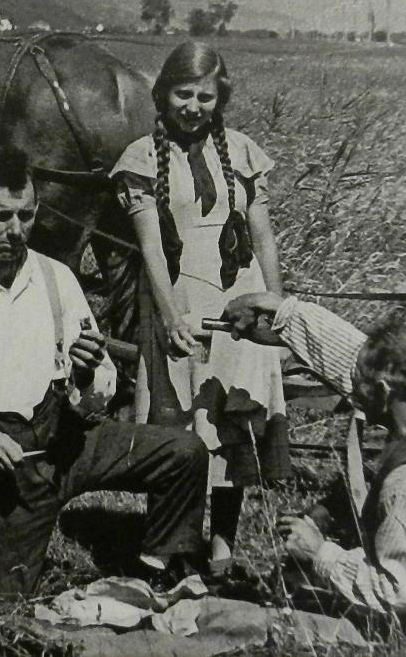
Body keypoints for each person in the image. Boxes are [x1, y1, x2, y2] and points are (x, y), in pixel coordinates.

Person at [0, 147, 208, 597]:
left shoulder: (57, 277)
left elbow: (100, 390)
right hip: (2, 469)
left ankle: (155, 567)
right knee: (5, 601)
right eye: (0, 216)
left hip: (69, 440)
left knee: (185, 452)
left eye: (26, 215)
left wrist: (87, 376)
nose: (15, 231)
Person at [110, 41, 290, 577]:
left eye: (205, 97)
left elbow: (264, 238)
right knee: (177, 425)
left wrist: (277, 311)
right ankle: (174, 543)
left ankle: (222, 545)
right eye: (183, 94)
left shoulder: (243, 152)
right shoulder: (143, 159)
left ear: (220, 99)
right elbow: (150, 250)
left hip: (240, 304)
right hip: (180, 301)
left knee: (231, 423)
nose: (193, 107)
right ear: (163, 94)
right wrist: (169, 317)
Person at [221, 291, 406, 632]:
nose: (352, 391)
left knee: (243, 622)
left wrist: (319, 553)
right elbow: (351, 356)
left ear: (382, 392)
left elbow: (398, 596)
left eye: (358, 386)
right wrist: (283, 311)